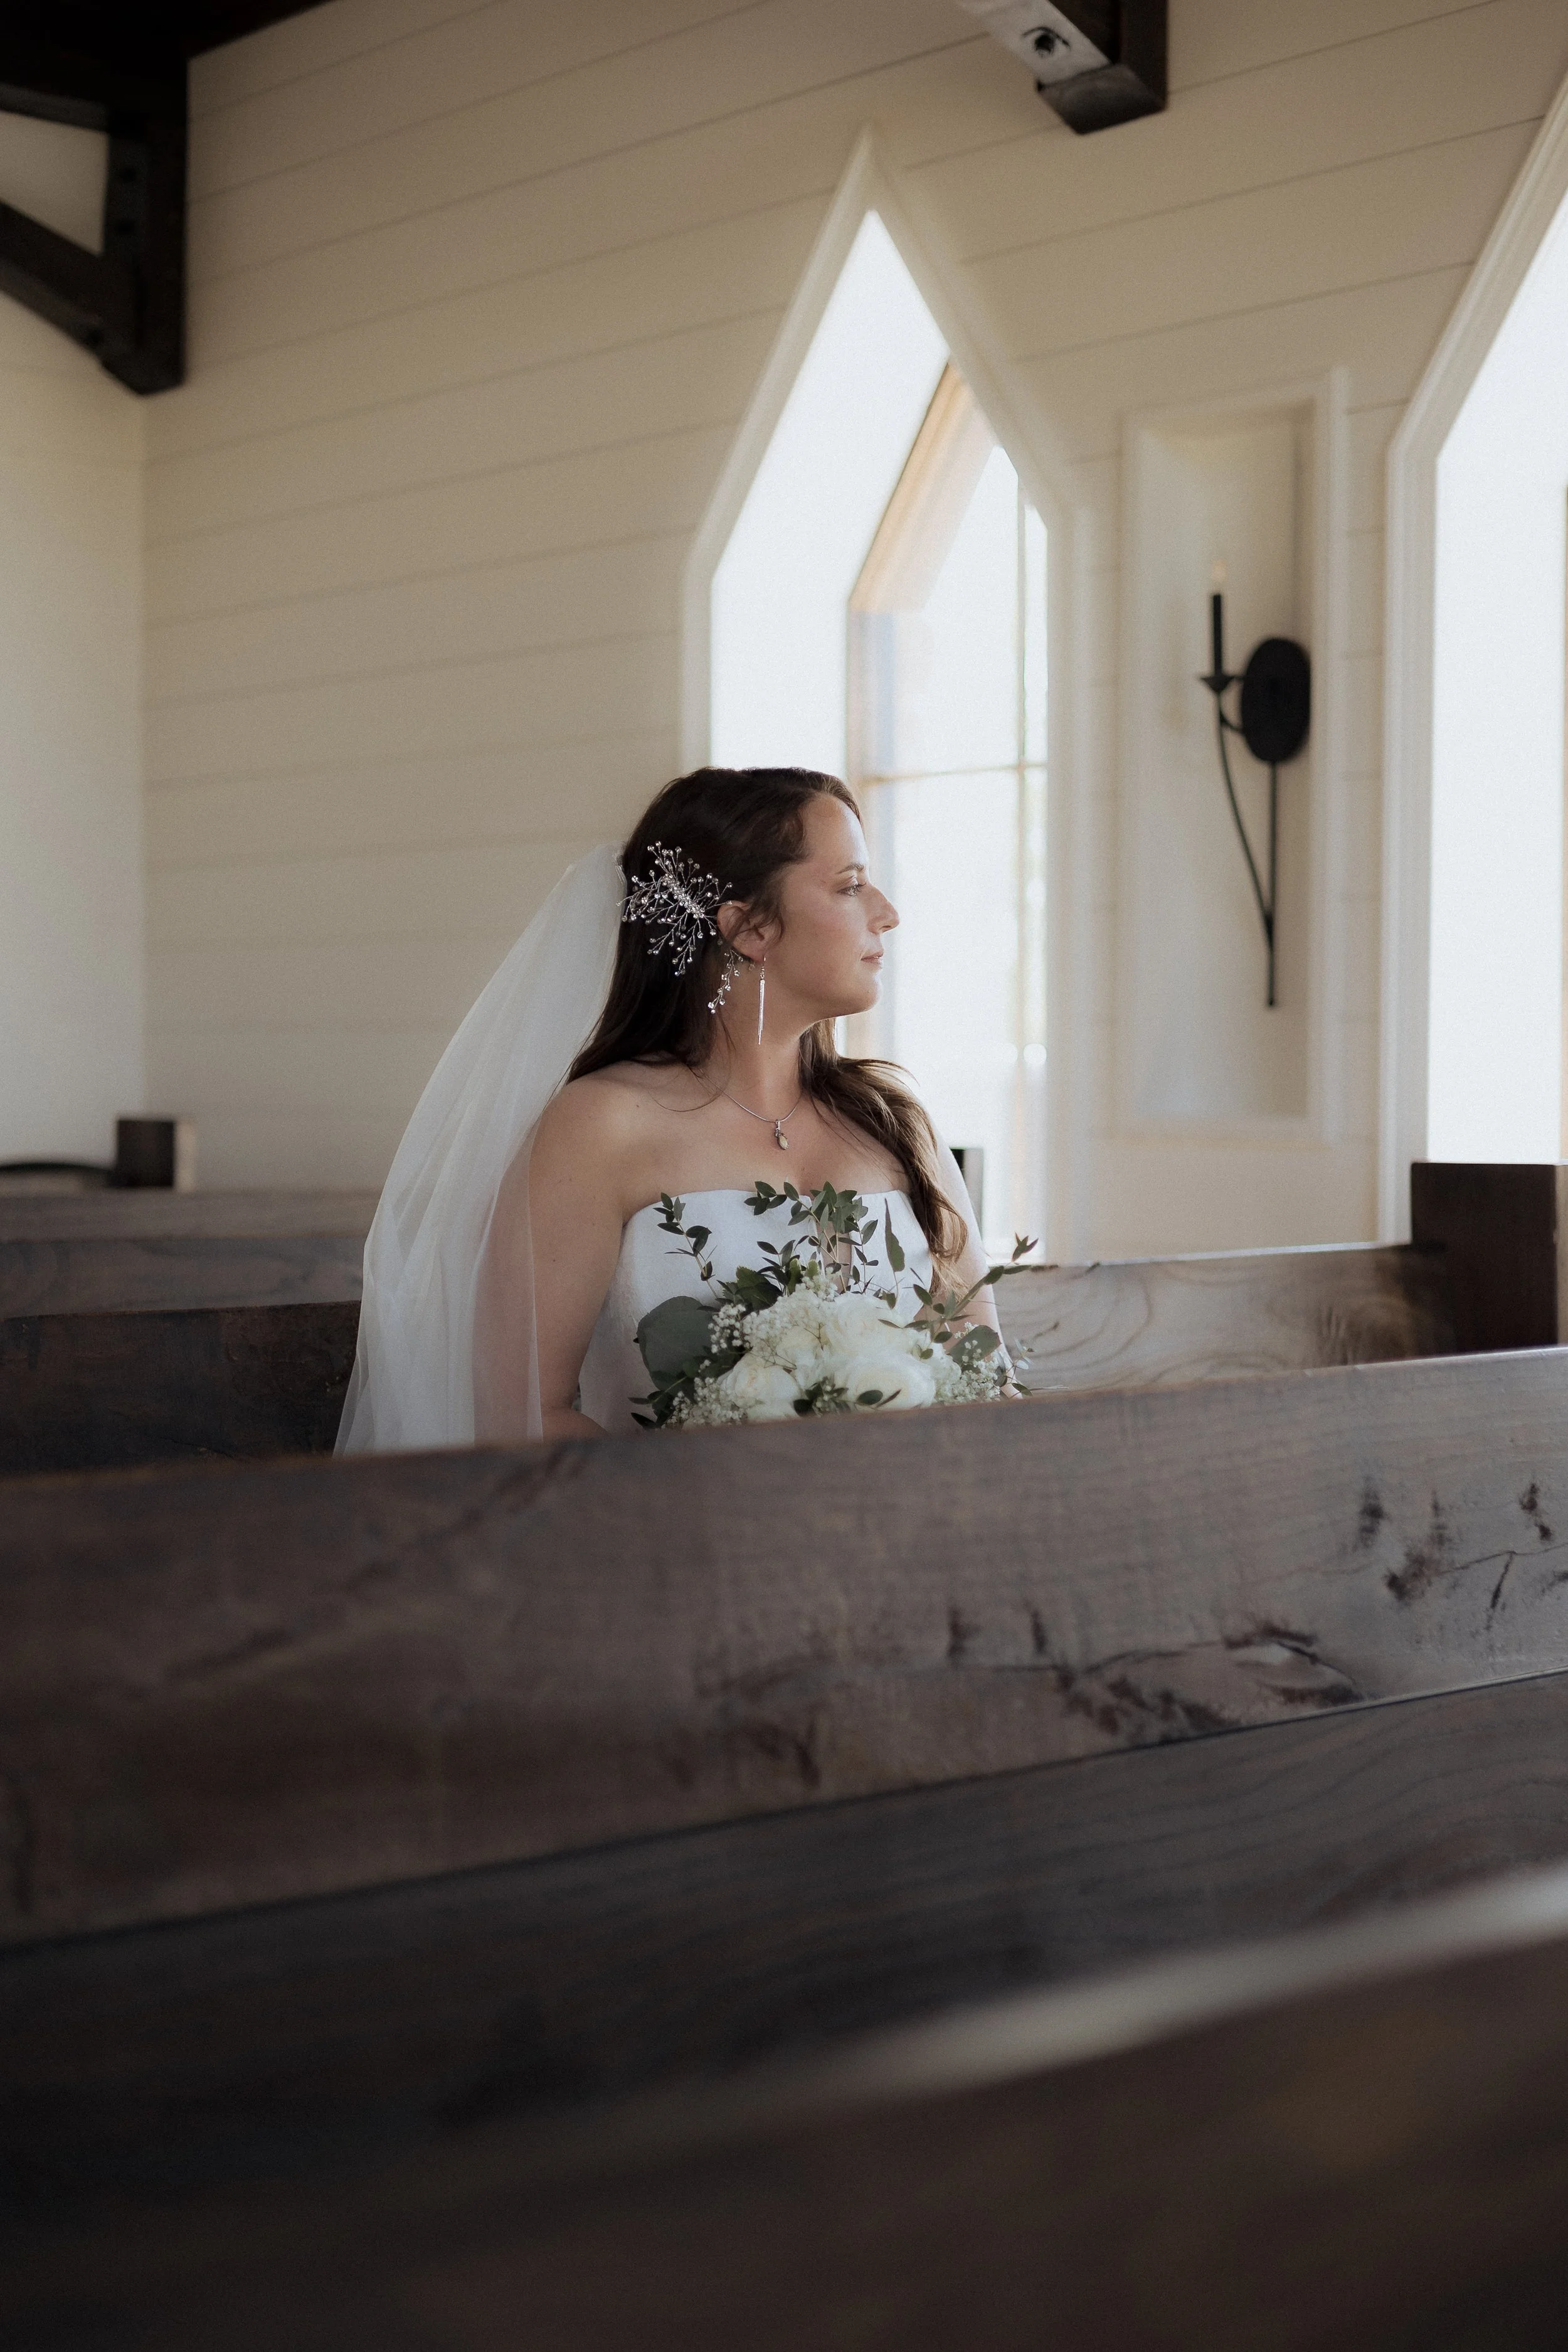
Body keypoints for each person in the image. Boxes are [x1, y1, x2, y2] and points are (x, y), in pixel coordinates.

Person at [336, 766, 998, 1452]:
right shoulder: (598, 1128)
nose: (887, 911)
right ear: (749, 928)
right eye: (850, 885)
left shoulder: (895, 1123)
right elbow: (523, 1415)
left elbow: (984, 1375)